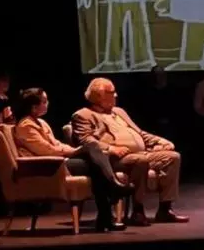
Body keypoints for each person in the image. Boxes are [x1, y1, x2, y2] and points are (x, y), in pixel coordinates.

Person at [72, 78, 188, 226]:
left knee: (172, 157)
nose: (116, 95)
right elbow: (86, 141)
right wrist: (111, 148)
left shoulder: (119, 111)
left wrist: (160, 141)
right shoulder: (83, 115)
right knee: (140, 161)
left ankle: (165, 209)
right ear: (99, 96)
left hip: (142, 152)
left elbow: (139, 133)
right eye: (112, 92)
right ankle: (138, 211)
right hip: (114, 159)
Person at [14, 88, 132, 232]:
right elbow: (46, 150)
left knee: (96, 165)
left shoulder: (41, 123)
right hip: (47, 166)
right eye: (44, 101)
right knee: (93, 151)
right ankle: (111, 191)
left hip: (59, 161)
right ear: (33, 107)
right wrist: (75, 151)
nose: (47, 103)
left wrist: (74, 150)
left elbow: (57, 144)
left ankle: (106, 214)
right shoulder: (26, 126)